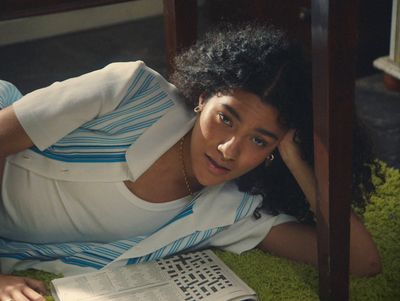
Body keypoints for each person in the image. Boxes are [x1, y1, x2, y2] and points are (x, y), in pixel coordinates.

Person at [0, 24, 381, 300]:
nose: (229, 150)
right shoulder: (125, 91)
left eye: (259, 140)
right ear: (202, 95)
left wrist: (301, 162)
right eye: (226, 118)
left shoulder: (231, 210)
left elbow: (361, 262)